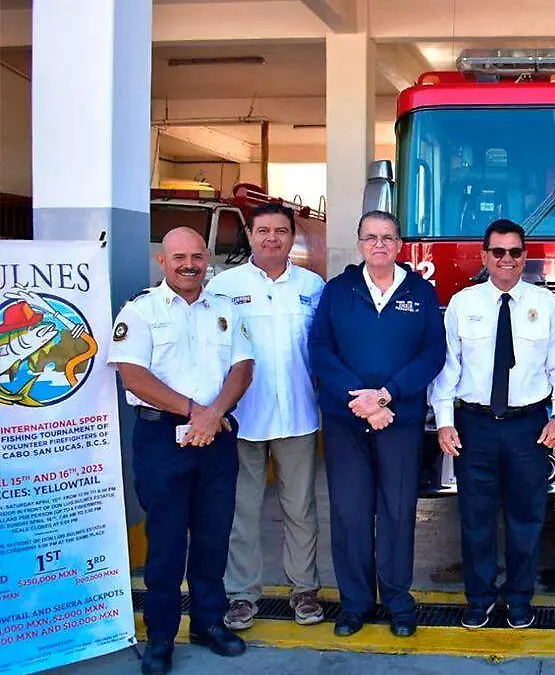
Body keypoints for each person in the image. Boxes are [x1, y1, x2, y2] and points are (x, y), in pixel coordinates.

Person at [108, 227, 253, 675]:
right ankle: (161, 637)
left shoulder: (226, 310)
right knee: (166, 544)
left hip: (216, 437)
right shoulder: (141, 311)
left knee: (213, 537)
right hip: (162, 440)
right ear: (162, 262)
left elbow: (242, 368)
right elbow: (133, 376)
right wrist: (197, 413)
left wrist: (213, 416)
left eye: (196, 256)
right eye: (179, 257)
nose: (189, 264)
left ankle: (209, 623)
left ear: (207, 257)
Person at [430, 219, 555, 630]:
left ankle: (519, 598)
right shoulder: (463, 304)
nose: (507, 259)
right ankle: (479, 599)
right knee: (475, 517)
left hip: (527, 426)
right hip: (473, 425)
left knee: (526, 518)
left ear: (525, 256)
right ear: (485, 256)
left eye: (515, 252)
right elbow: (447, 369)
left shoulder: (546, 304)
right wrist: (444, 422)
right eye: (498, 252)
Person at [308, 210, 446, 639]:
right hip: (347, 423)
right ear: (360, 243)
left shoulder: (420, 293)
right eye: (371, 237)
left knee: (397, 512)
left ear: (400, 244)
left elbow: (432, 354)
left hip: (398, 421)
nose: (380, 244)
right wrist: (361, 401)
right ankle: (356, 603)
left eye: (388, 237)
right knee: (349, 513)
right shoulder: (338, 291)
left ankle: (399, 601)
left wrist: (386, 395)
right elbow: (320, 350)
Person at [205, 203, 326, 631]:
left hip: (297, 416)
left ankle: (304, 590)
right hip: (242, 419)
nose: (272, 238)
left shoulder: (313, 285)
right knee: (242, 509)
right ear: (250, 236)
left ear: (294, 237)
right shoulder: (224, 285)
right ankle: (241, 594)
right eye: (263, 231)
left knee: (301, 509)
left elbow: (323, 349)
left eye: (281, 231)